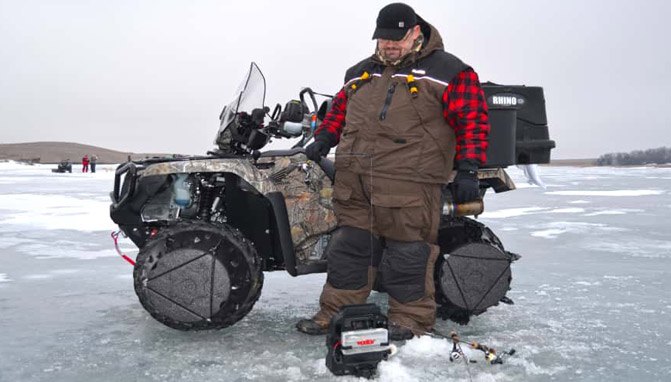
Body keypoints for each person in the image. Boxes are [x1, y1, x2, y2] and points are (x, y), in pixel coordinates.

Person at [296, 3, 490, 340]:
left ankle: (410, 322)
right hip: (355, 181)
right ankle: (336, 312)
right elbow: (340, 109)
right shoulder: (360, 71)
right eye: (383, 39)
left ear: (416, 32)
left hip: (410, 184)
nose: (388, 45)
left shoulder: (450, 71)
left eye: (396, 39)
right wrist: (324, 136)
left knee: (408, 253)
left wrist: (469, 170)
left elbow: (472, 121)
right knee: (349, 250)